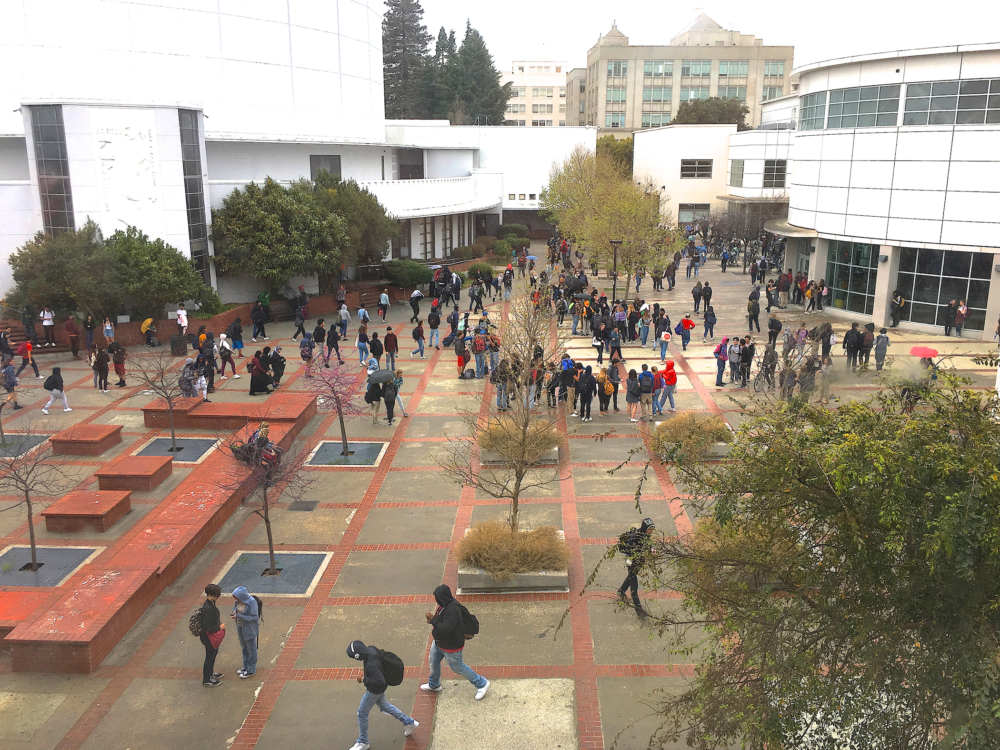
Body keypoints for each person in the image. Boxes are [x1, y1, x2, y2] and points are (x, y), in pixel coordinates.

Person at [420, 584, 490, 700]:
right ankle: (434, 684)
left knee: (458, 667)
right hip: (439, 643)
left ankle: (482, 683)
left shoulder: (452, 610)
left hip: (451, 647)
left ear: (442, 597)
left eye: (437, 597)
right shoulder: (444, 605)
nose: (436, 600)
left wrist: (433, 621)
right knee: (433, 661)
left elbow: (446, 629)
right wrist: (434, 621)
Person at [347, 640, 418, 750]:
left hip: (374, 691)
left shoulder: (371, 665)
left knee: (362, 713)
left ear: (357, 655)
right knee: (384, 706)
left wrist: (364, 679)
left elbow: (380, 681)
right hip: (379, 690)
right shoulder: (371, 649)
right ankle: (409, 722)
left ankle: (363, 741)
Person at [617, 518, 656, 619]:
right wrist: (631, 558)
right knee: (634, 587)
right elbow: (628, 549)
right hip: (632, 562)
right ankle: (639, 611)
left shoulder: (645, 536)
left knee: (631, 577)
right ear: (645, 528)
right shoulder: (635, 536)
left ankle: (621, 591)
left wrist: (651, 549)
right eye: (650, 529)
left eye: (652, 529)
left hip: (639, 561)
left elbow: (647, 544)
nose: (651, 532)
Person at [199, 583, 225, 687]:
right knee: (210, 656)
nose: (217, 597)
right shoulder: (210, 608)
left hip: (208, 637)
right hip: (209, 637)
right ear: (210, 594)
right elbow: (207, 626)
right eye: (216, 595)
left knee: (213, 654)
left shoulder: (210, 604)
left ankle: (210, 673)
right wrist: (220, 627)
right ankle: (207, 679)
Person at [230, 586, 259, 679]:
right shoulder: (237, 602)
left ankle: (251, 669)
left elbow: (254, 617)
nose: (236, 599)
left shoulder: (252, 602)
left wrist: (240, 616)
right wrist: (234, 612)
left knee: (251, 648)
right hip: (240, 626)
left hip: (249, 628)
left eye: (237, 597)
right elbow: (235, 607)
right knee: (244, 647)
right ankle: (245, 666)